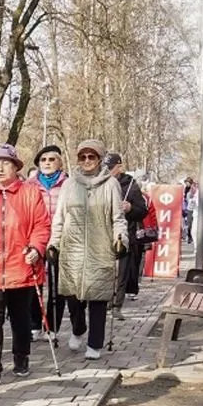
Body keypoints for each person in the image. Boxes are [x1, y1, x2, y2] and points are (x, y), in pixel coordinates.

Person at [0, 144, 51, 387]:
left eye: (5, 163)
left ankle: (21, 357)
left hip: (21, 266)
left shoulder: (31, 193)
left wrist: (36, 248)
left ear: (16, 167)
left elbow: (41, 225)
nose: (0, 168)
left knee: (20, 317)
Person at [47, 139, 127, 360]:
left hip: (100, 247)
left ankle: (95, 343)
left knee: (98, 297)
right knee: (72, 295)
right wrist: (54, 243)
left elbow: (118, 218)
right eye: (83, 157)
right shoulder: (69, 184)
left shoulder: (111, 184)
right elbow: (59, 217)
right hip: (72, 248)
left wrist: (120, 239)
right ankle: (78, 327)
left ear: (100, 159)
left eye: (91, 156)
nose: (87, 160)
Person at [32, 145, 68, 339]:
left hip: (59, 239)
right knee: (33, 283)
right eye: (43, 160)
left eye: (51, 159)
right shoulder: (30, 184)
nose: (47, 163)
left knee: (56, 285)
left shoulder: (68, 184)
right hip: (35, 238)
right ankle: (34, 324)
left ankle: (52, 327)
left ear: (59, 163)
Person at [104, 152, 148, 309]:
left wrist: (130, 208)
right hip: (104, 234)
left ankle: (117, 304)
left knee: (122, 272)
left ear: (119, 167)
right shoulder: (99, 184)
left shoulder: (131, 186)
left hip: (125, 234)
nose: (107, 171)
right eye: (105, 168)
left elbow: (142, 211)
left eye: (110, 168)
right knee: (106, 272)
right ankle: (106, 300)